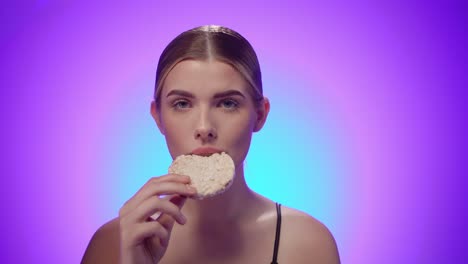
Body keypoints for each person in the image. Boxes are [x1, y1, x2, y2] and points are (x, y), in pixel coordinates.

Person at [81, 25, 340, 264]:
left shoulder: (308, 244)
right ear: (158, 117)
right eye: (182, 104)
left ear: (260, 114)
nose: (204, 127)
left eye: (227, 103)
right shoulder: (113, 244)